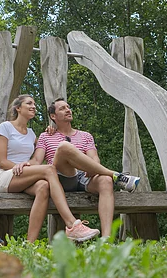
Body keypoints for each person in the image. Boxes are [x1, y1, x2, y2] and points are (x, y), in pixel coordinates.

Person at [0, 94, 100, 242]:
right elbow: (1, 161)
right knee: (49, 169)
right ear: (18, 108)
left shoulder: (31, 134)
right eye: (29, 103)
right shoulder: (5, 127)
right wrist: (20, 166)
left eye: (34, 104)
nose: (33, 106)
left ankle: (30, 244)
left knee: (43, 186)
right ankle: (72, 225)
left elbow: (39, 154)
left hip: (23, 176)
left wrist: (52, 130)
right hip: (4, 176)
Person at [30, 98, 140, 238]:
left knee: (106, 181)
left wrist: (92, 167)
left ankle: (106, 239)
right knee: (64, 147)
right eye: (62, 108)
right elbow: (37, 160)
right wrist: (22, 165)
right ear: (53, 116)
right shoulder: (46, 136)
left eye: (68, 107)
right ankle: (116, 175)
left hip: (84, 176)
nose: (68, 110)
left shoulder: (85, 136)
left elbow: (94, 158)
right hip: (60, 176)